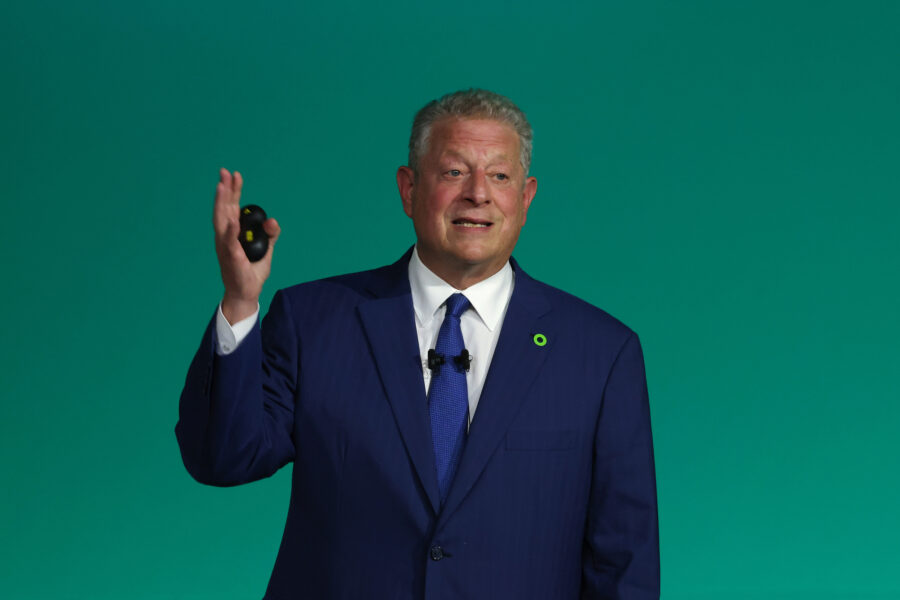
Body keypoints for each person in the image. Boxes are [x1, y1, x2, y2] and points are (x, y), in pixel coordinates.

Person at [176, 89, 660, 599]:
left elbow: (623, 558)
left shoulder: (600, 353)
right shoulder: (314, 321)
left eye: (499, 176)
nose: (478, 193)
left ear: (526, 197)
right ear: (408, 189)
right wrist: (239, 301)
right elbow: (223, 458)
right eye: (454, 172)